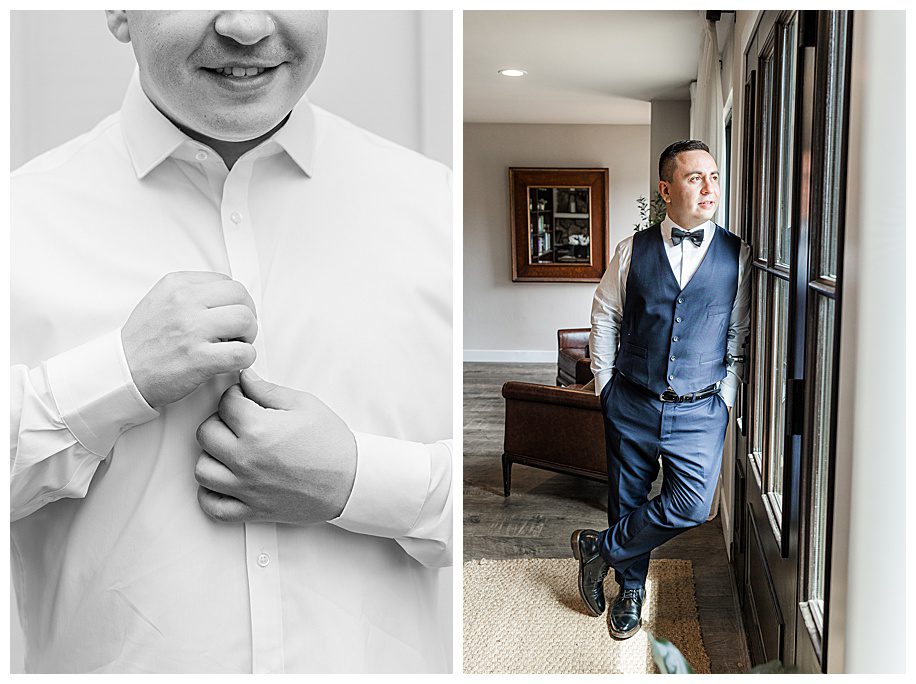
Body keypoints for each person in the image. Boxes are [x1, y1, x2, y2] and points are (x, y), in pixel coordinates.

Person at [10, 11, 452, 673]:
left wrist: (358, 481)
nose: (245, 25)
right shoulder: (18, 220)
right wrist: (116, 377)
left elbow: (488, 496)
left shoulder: (434, 205)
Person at [571, 139, 750, 639]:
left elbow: (738, 333)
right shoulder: (632, 250)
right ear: (666, 190)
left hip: (701, 406)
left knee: (694, 505)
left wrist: (727, 396)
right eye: (695, 178)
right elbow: (605, 316)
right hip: (631, 398)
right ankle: (630, 590)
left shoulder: (738, 254)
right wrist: (605, 385)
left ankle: (599, 549)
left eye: (714, 177)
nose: (709, 188)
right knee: (627, 497)